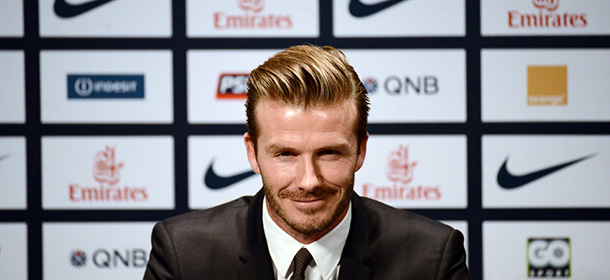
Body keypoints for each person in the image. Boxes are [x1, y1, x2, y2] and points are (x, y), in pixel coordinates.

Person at [143, 45, 472, 280]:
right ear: (252, 152)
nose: (309, 180)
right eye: (285, 154)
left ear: (361, 150)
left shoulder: (432, 259)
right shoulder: (183, 255)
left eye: (329, 152)